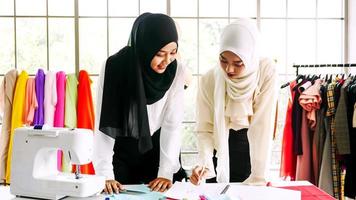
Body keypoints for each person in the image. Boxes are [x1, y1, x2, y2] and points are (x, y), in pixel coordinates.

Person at [93, 13, 185, 194]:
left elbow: (172, 124)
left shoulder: (176, 70)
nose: (167, 61)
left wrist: (166, 171)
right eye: (159, 54)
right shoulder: (114, 67)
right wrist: (105, 174)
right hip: (122, 147)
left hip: (159, 148)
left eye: (172, 53)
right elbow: (104, 122)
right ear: (145, 47)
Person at [189, 19, 278, 185]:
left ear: (250, 57)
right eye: (223, 60)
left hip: (253, 151)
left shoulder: (265, 71)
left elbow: (262, 126)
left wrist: (259, 175)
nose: (229, 70)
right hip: (219, 149)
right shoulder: (210, 79)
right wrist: (204, 163)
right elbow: (205, 128)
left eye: (238, 63)